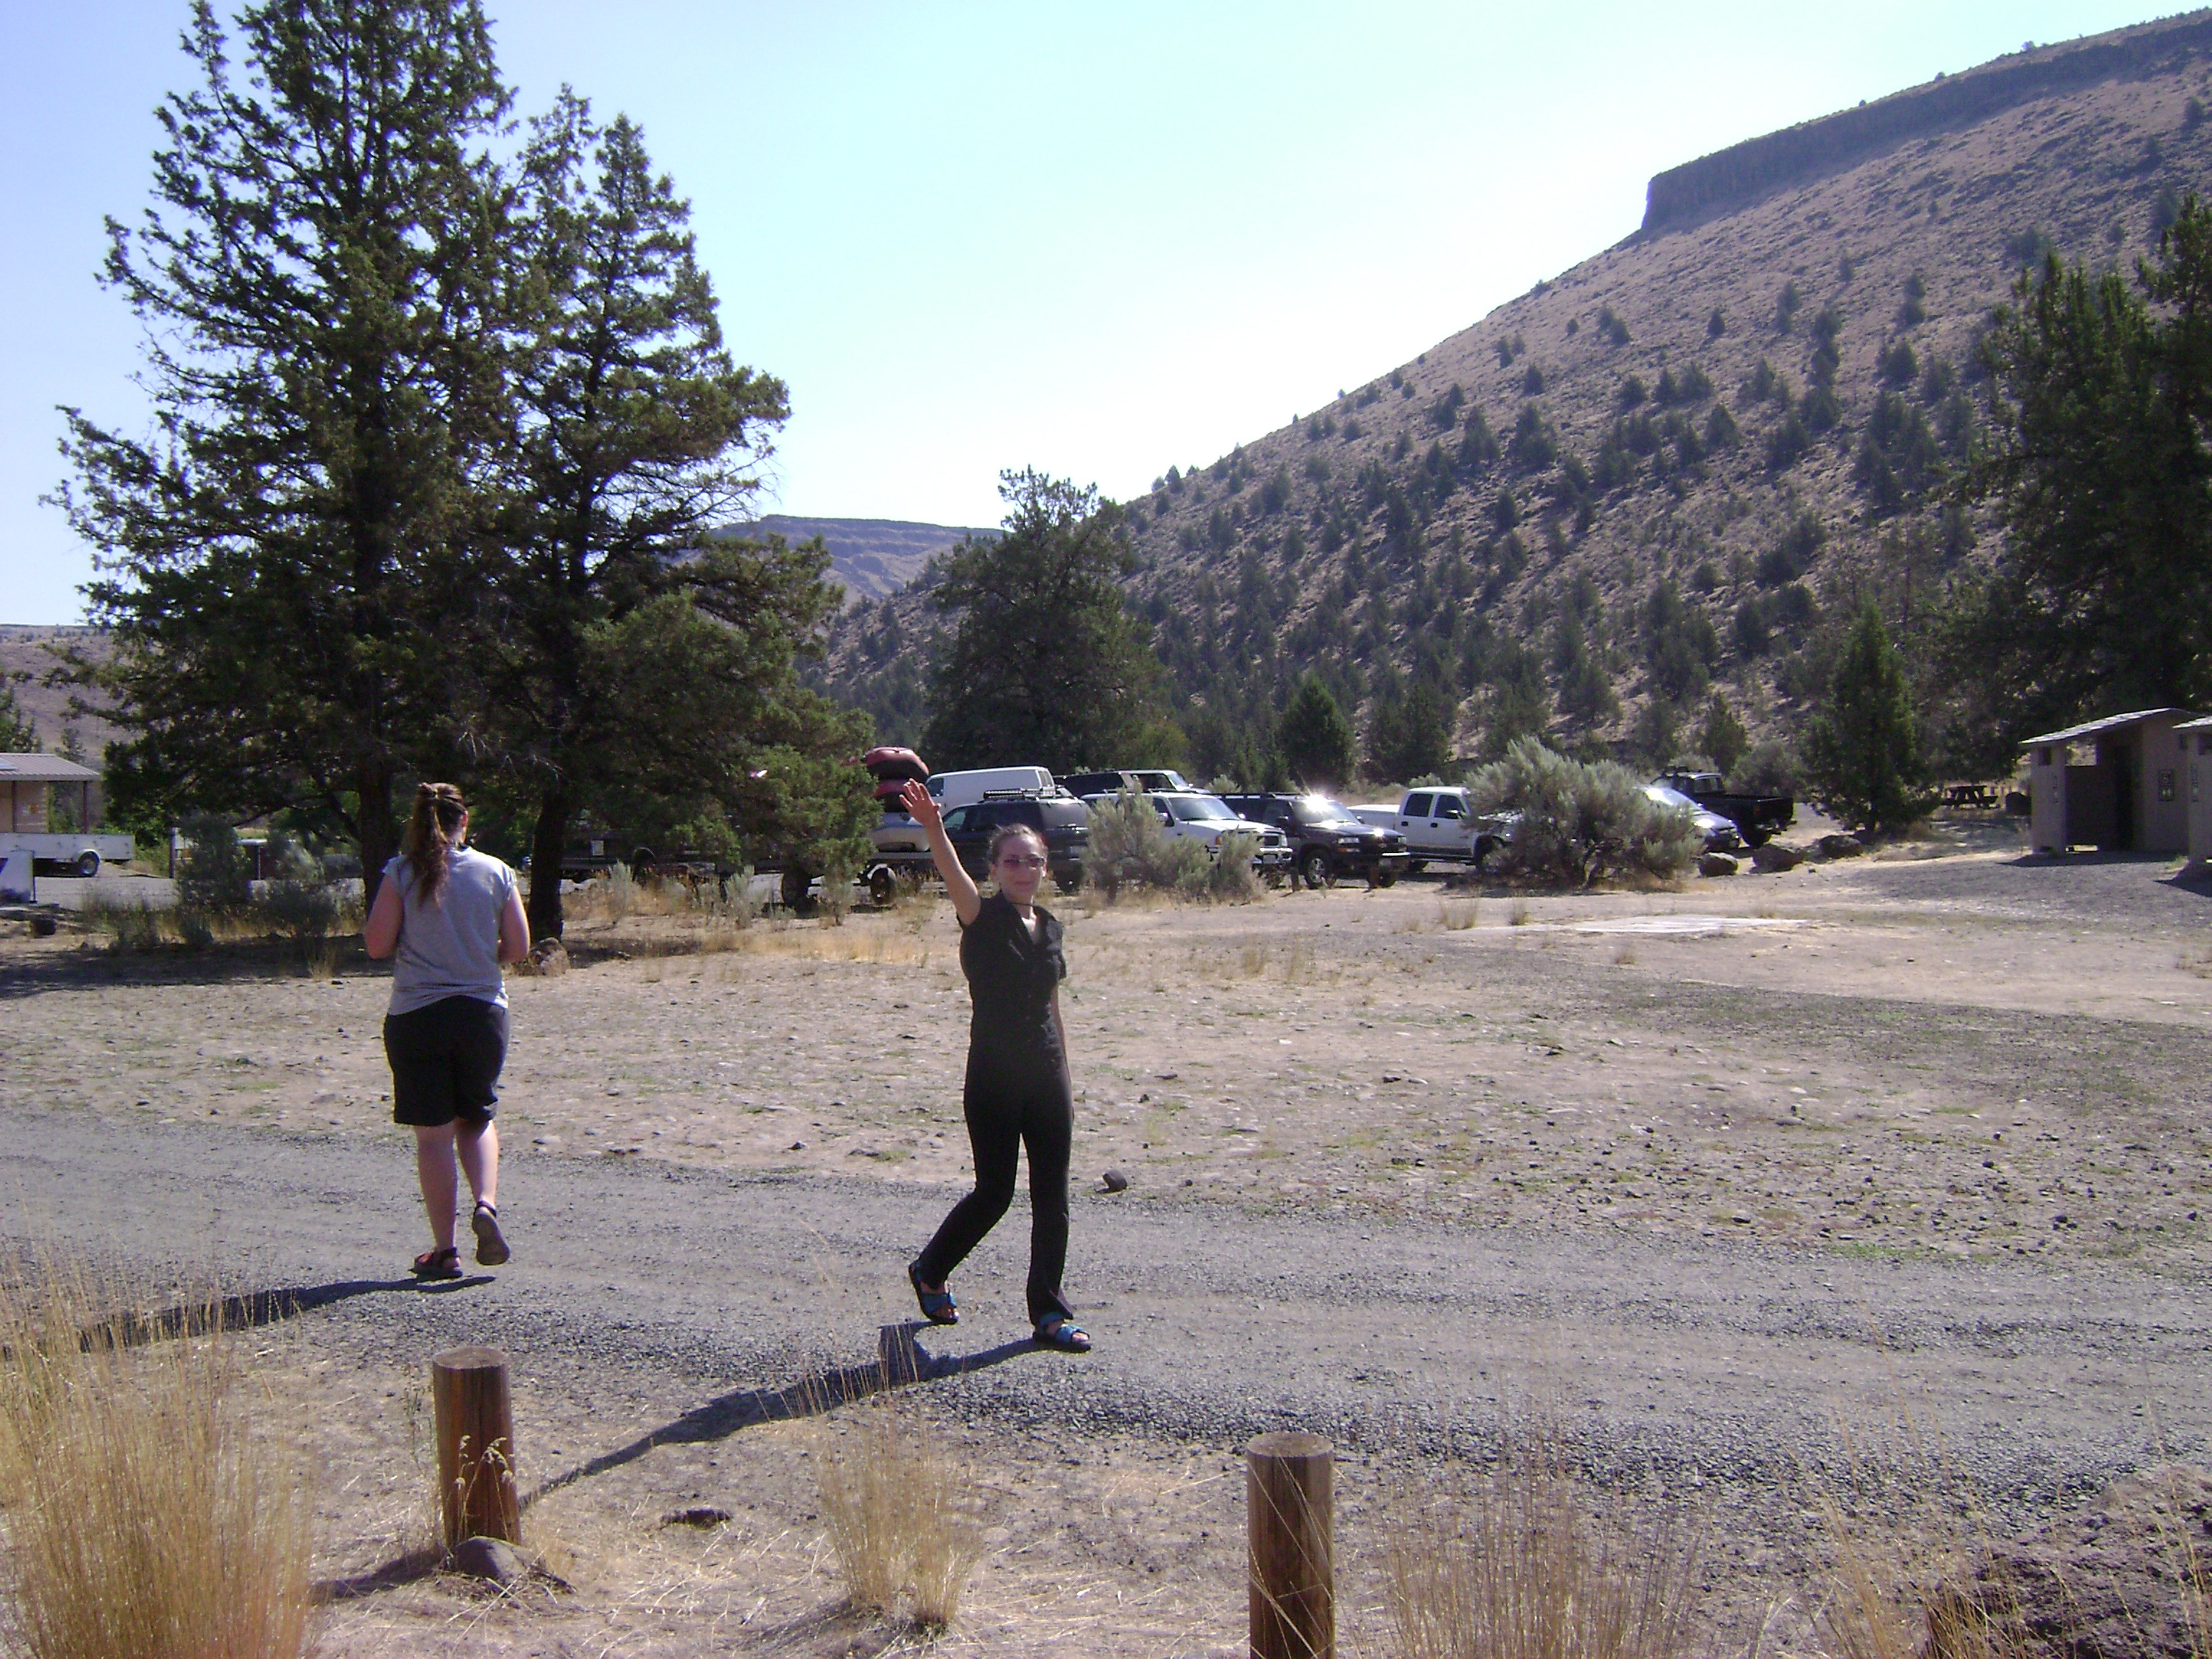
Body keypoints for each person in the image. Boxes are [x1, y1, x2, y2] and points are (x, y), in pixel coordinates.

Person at [898, 780, 1090, 1352]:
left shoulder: (1051, 927)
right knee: (995, 1194)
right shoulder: (981, 917)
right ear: (996, 868)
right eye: (1012, 861)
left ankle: (1049, 1313)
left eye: (1033, 861)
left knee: (1053, 1197)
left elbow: (1052, 1004)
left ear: (1045, 866)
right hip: (993, 1078)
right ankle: (930, 1270)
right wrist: (934, 828)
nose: (1023, 870)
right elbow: (951, 874)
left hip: (1046, 1074)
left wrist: (1066, 1076)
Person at [364, 783, 531, 1280]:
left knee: (434, 1138)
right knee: (476, 1119)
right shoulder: (496, 871)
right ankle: (486, 1205)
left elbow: (376, 945)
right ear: (465, 822)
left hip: (418, 1017)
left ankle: (445, 1250)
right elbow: (519, 948)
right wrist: (477, 955)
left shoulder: (400, 873)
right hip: (482, 1014)